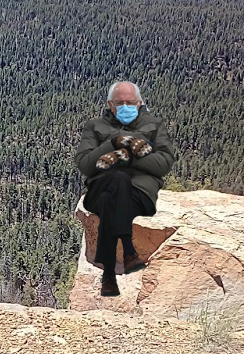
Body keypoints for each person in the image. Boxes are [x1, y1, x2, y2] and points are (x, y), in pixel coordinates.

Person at [74, 81, 176, 297]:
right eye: (120, 103)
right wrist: (113, 142)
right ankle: (128, 251)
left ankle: (109, 274)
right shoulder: (95, 127)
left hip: (139, 195)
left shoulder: (154, 126)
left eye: (130, 102)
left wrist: (125, 158)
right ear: (111, 105)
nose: (125, 106)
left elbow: (164, 163)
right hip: (99, 190)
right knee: (116, 183)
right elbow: (85, 164)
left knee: (115, 187)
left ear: (139, 103)